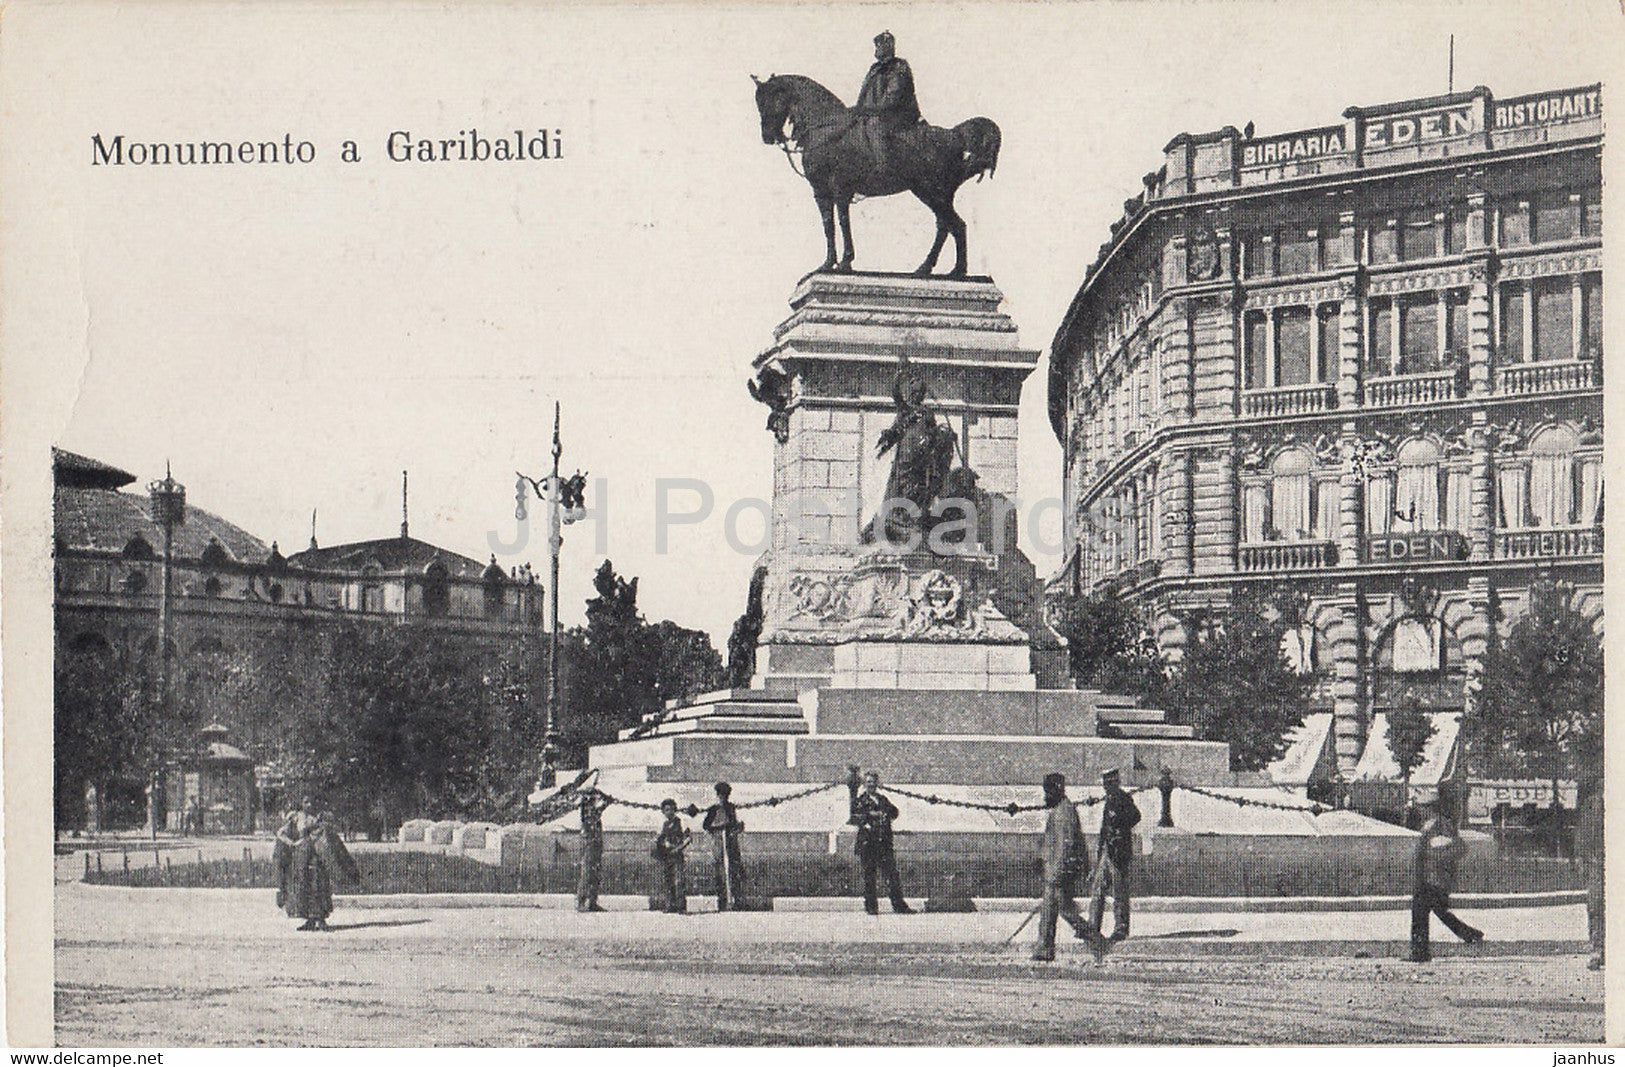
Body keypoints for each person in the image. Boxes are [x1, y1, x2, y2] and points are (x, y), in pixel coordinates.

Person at [1408, 788, 1484, 962]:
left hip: (1436, 878)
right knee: (1439, 911)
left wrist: (1439, 851)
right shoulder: (1428, 825)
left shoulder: (1443, 824)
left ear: (1430, 808)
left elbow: (1459, 847)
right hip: (1427, 877)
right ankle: (1471, 934)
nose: (1419, 810)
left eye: (1422, 807)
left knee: (1420, 911)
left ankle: (1420, 953)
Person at [1032, 772, 1098, 962]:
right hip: (1055, 869)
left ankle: (1096, 941)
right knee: (1049, 909)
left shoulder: (1063, 813)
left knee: (1064, 909)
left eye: (1048, 792)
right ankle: (1044, 948)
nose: (1045, 796)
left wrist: (1055, 873)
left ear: (1056, 790)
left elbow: (1065, 847)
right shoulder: (1061, 810)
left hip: (1060, 871)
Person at [273, 796, 358, 931]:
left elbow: (329, 837)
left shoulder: (321, 817)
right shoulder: (296, 817)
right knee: (304, 887)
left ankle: (321, 919)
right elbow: (281, 833)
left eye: (312, 801)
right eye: (306, 802)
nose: (309, 804)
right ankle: (309, 920)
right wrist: (293, 843)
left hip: (318, 859)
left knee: (319, 887)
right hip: (302, 859)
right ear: (301, 803)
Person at [848, 766, 914, 915]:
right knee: (869, 877)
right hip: (868, 844)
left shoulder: (882, 799)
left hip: (884, 844)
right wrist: (872, 815)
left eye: (873, 782)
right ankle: (871, 907)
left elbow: (894, 811)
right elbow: (854, 817)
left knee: (892, 875)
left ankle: (899, 906)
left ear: (877, 783)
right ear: (864, 785)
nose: (871, 785)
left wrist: (883, 813)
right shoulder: (860, 801)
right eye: (868, 782)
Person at [854, 31, 921, 174]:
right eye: (876, 45)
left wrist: (870, 110)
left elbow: (893, 96)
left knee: (874, 126)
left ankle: (884, 168)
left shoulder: (899, 66)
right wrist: (858, 110)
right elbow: (864, 93)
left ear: (889, 46)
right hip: (875, 113)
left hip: (897, 115)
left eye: (880, 45)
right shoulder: (875, 68)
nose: (877, 48)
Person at [1088, 768, 1141, 942]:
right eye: (1105, 783)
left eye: (1109, 783)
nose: (1106, 787)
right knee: (1098, 889)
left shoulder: (1124, 799)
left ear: (1115, 782)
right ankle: (1093, 926)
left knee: (1119, 892)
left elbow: (1135, 816)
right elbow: (1104, 828)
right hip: (1107, 851)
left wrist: (1120, 828)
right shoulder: (1109, 800)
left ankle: (1121, 928)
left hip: (1119, 852)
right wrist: (1100, 850)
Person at [703, 781, 746, 910]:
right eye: (721, 795)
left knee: (734, 869)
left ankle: (735, 899)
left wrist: (737, 827)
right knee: (720, 869)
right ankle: (722, 899)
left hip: (731, 843)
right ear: (718, 795)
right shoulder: (713, 809)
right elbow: (706, 825)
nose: (723, 798)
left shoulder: (730, 807)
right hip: (719, 843)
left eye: (725, 795)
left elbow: (733, 822)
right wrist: (718, 828)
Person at [1576, 777, 1604, 970]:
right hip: (1597, 863)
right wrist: (1581, 858)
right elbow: (1583, 833)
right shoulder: (1592, 805)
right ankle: (1597, 950)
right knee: (1595, 906)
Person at [652, 798, 692, 914]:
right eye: (666, 810)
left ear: (675, 810)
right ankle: (670, 905)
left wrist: (679, 847)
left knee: (679, 881)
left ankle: (681, 907)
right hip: (667, 855)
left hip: (677, 855)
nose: (669, 812)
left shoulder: (680, 822)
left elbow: (688, 838)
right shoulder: (664, 824)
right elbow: (659, 838)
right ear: (663, 812)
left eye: (671, 809)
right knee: (668, 880)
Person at [575, 789, 611, 913]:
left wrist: (603, 797)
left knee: (595, 874)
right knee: (587, 873)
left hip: (595, 844)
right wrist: (603, 796)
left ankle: (592, 902)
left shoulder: (592, 812)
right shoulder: (587, 814)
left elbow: (601, 808)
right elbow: (599, 811)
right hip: (589, 844)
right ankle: (582, 902)